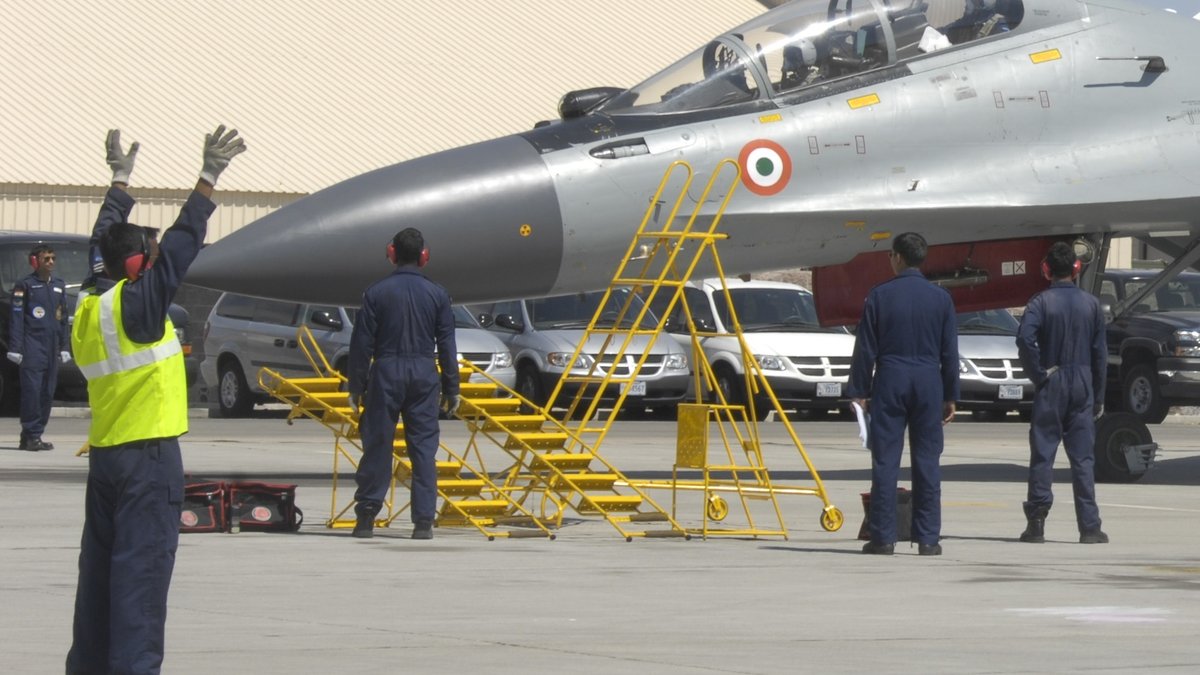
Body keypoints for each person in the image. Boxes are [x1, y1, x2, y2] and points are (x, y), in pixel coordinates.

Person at [66, 126, 246, 674]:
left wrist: (119, 184)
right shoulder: (137, 308)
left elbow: (104, 241)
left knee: (98, 582)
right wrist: (207, 179)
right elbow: (181, 246)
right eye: (146, 254)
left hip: (106, 457)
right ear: (136, 266)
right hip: (147, 460)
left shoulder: (90, 305)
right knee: (140, 581)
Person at [848, 232, 959, 556]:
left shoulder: (879, 295)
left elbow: (865, 348)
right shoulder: (941, 299)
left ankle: (883, 537)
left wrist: (859, 390)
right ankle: (928, 538)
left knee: (885, 460)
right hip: (928, 381)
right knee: (928, 461)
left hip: (891, 378)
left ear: (898, 257)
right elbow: (950, 352)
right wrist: (950, 394)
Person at [347, 227, 459, 540]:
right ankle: (423, 522)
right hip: (424, 374)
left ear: (392, 253)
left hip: (386, 371)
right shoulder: (437, 294)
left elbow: (361, 344)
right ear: (424, 256)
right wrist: (452, 387)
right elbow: (447, 344)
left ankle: (366, 517)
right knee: (423, 449)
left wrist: (355, 386)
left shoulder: (376, 292)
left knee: (378, 444)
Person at [1015, 242, 1108, 544]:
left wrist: (1038, 374)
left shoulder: (1040, 302)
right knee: (1083, 459)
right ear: (1076, 268)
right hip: (1082, 381)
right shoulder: (1092, 304)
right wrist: (1099, 395)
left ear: (1046, 269)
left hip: (1052, 380)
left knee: (1043, 454)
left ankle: (1036, 524)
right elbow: (1100, 355)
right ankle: (1089, 527)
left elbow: (1025, 339)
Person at [7, 243, 71, 450]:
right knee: (32, 392)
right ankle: (31, 433)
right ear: (35, 261)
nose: (51, 262)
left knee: (47, 392)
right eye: (46, 258)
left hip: (51, 346)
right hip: (32, 345)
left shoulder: (59, 285)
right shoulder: (25, 285)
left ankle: (33, 435)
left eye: (53, 258)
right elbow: (16, 318)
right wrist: (15, 347)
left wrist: (64, 346)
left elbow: (62, 318)